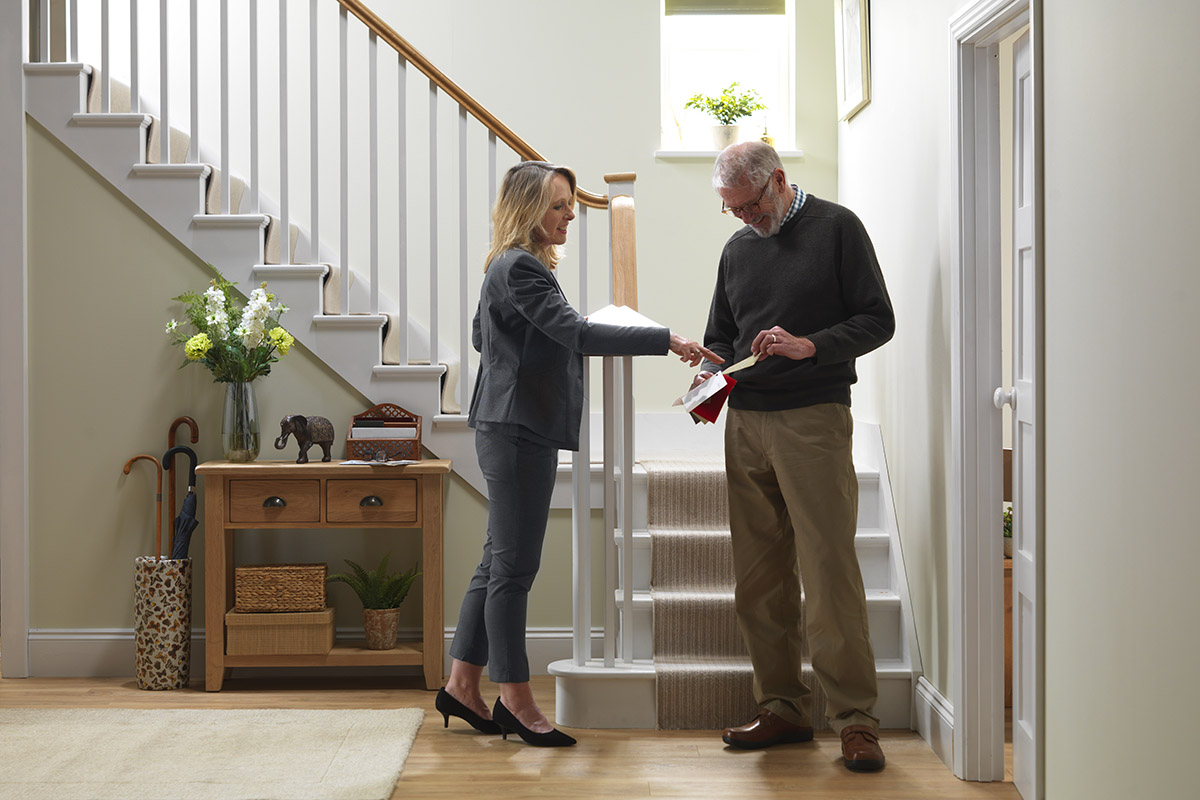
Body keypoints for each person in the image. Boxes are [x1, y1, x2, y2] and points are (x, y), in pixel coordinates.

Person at [437, 160, 722, 747]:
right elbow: (579, 334)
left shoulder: (511, 265)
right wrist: (664, 339)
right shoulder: (521, 267)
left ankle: (461, 684)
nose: (570, 214)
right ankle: (514, 698)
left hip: (511, 423)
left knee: (497, 560)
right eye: (558, 204)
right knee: (514, 569)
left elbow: (480, 337)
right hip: (517, 429)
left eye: (569, 203)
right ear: (527, 209)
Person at [692, 142, 894, 771]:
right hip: (746, 422)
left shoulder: (837, 228)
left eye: (748, 205)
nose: (742, 219)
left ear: (777, 181)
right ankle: (781, 707)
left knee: (828, 572)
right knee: (758, 578)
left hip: (814, 420)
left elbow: (877, 319)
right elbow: (719, 334)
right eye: (731, 210)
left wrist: (812, 346)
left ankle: (855, 720)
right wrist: (708, 367)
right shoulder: (737, 249)